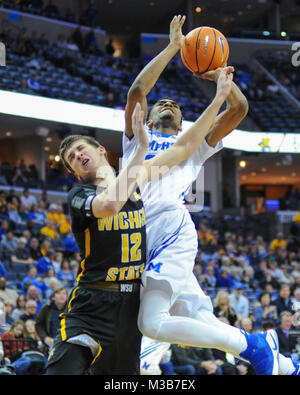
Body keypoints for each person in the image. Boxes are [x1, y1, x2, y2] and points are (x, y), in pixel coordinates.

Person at [122, 14, 298, 375]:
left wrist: (221, 76)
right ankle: (280, 364)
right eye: (162, 104)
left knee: (152, 324)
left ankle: (257, 348)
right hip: (135, 237)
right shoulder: (134, 137)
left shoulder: (193, 144)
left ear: (184, 124)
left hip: (169, 228)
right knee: (200, 316)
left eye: (175, 105)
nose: (168, 103)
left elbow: (240, 109)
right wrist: (173, 47)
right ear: (149, 118)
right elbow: (138, 91)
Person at [46, 66, 234, 375]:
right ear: (75, 173)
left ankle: (249, 347)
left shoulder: (137, 178)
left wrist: (219, 97)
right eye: (71, 158)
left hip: (128, 303)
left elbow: (185, 147)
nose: (78, 154)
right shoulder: (80, 195)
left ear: (102, 150)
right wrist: (142, 150)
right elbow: (108, 204)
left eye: (82, 148)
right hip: (92, 302)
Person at [36, 287, 68, 356]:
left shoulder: (71, 309)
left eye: (64, 293)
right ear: (53, 297)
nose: (62, 295)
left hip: (67, 345)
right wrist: (45, 338)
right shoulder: (46, 308)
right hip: (50, 344)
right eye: (59, 293)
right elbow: (38, 324)